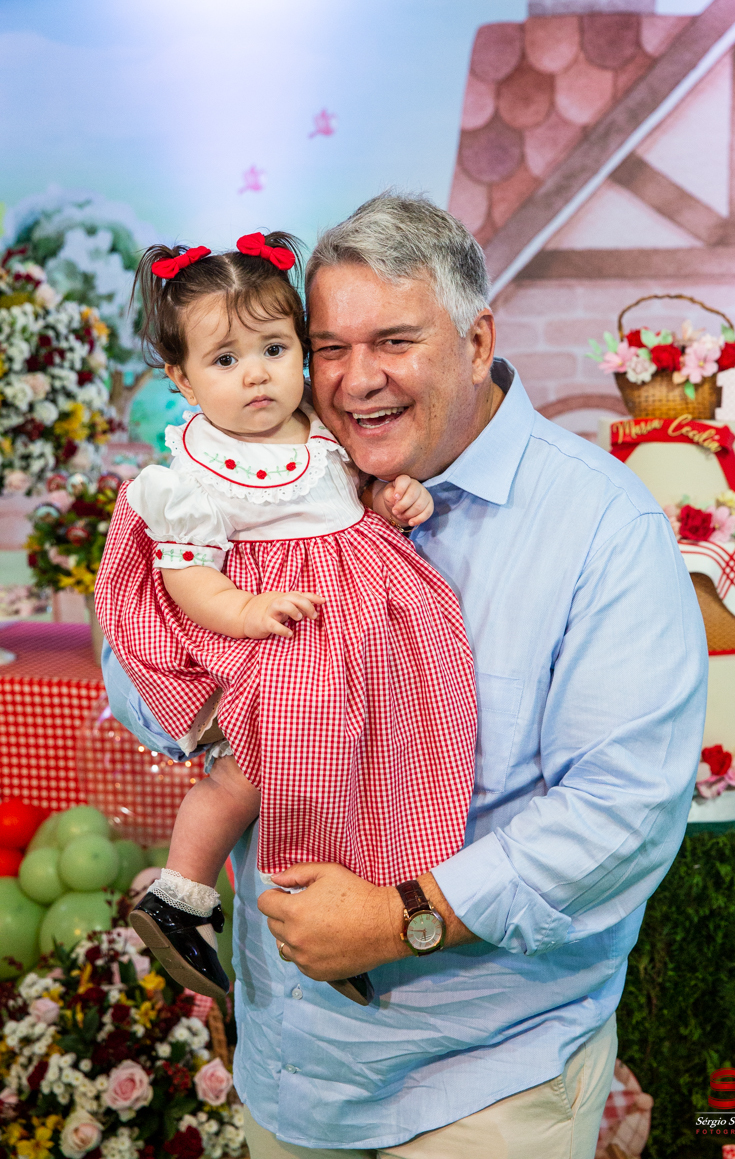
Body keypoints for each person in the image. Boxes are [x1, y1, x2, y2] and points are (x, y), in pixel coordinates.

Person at [103, 194, 708, 1159]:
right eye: (328, 347)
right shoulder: (263, 472)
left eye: (394, 341)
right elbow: (138, 671)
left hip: (484, 1081)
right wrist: (234, 677)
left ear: (477, 342)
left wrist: (403, 919)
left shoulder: (603, 528)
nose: (356, 380)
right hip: (290, 1067)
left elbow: (621, 811)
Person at [95, 230, 477, 1009]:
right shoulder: (197, 472)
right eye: (225, 360)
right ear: (182, 378)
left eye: (274, 348)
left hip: (356, 633)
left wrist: (394, 501)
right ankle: (181, 893)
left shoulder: (322, 428)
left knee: (366, 765)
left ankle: (346, 915)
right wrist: (245, 609)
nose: (256, 374)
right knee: (261, 771)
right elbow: (188, 576)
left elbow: (351, 500)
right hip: (277, 634)